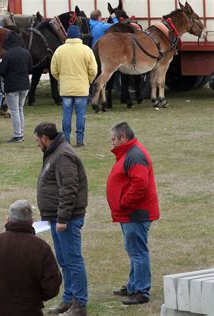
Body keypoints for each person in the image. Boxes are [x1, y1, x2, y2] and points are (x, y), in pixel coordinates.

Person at [0, 200, 62, 315]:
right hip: (30, 311)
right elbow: (52, 285)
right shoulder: (41, 248)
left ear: (7, 220)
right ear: (31, 222)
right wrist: (34, 299)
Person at [34, 122, 89, 316]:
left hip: (66, 218)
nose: (37, 144)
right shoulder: (54, 152)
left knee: (73, 260)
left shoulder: (63, 155)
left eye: (37, 140)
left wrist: (63, 218)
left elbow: (69, 188)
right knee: (64, 261)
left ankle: (80, 304)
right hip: (56, 217)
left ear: (44, 138)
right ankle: (68, 299)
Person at [106, 122, 159, 305]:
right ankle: (133, 285)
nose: (112, 143)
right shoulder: (129, 152)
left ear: (123, 138)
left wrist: (123, 203)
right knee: (133, 250)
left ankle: (141, 291)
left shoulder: (135, 155)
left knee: (137, 251)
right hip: (130, 213)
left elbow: (140, 184)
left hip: (135, 213)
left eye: (114, 139)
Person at [50, 25, 97, 147]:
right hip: (81, 88)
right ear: (79, 36)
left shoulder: (60, 50)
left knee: (66, 115)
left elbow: (53, 69)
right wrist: (88, 81)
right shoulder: (86, 50)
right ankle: (80, 140)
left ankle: (66, 139)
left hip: (66, 89)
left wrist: (61, 79)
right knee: (80, 115)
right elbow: (93, 70)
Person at [0, 31, 32, 143]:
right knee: (20, 109)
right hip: (25, 85)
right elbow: (31, 68)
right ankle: (20, 132)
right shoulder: (26, 53)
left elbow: (1, 71)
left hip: (12, 86)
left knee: (14, 110)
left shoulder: (6, 55)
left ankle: (18, 135)